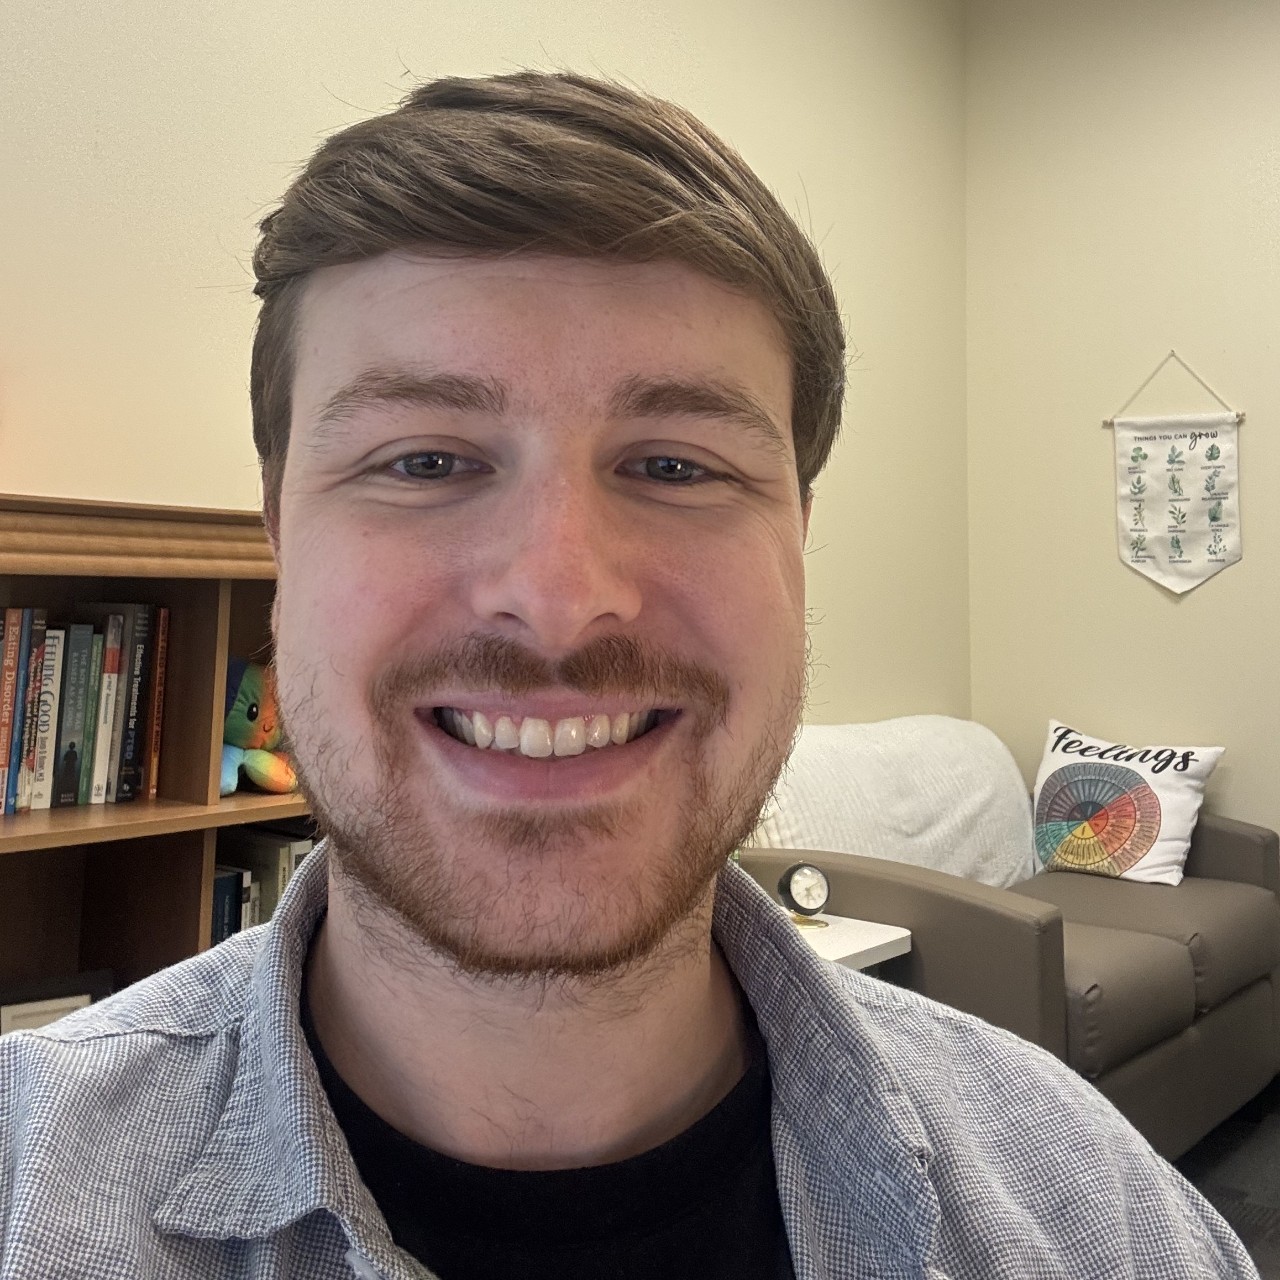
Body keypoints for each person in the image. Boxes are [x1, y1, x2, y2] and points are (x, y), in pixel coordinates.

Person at [0, 72, 1257, 1280]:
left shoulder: (1088, 1204)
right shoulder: (30, 1184)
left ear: (797, 535)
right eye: (424, 461)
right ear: (279, 528)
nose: (555, 595)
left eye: (674, 466)